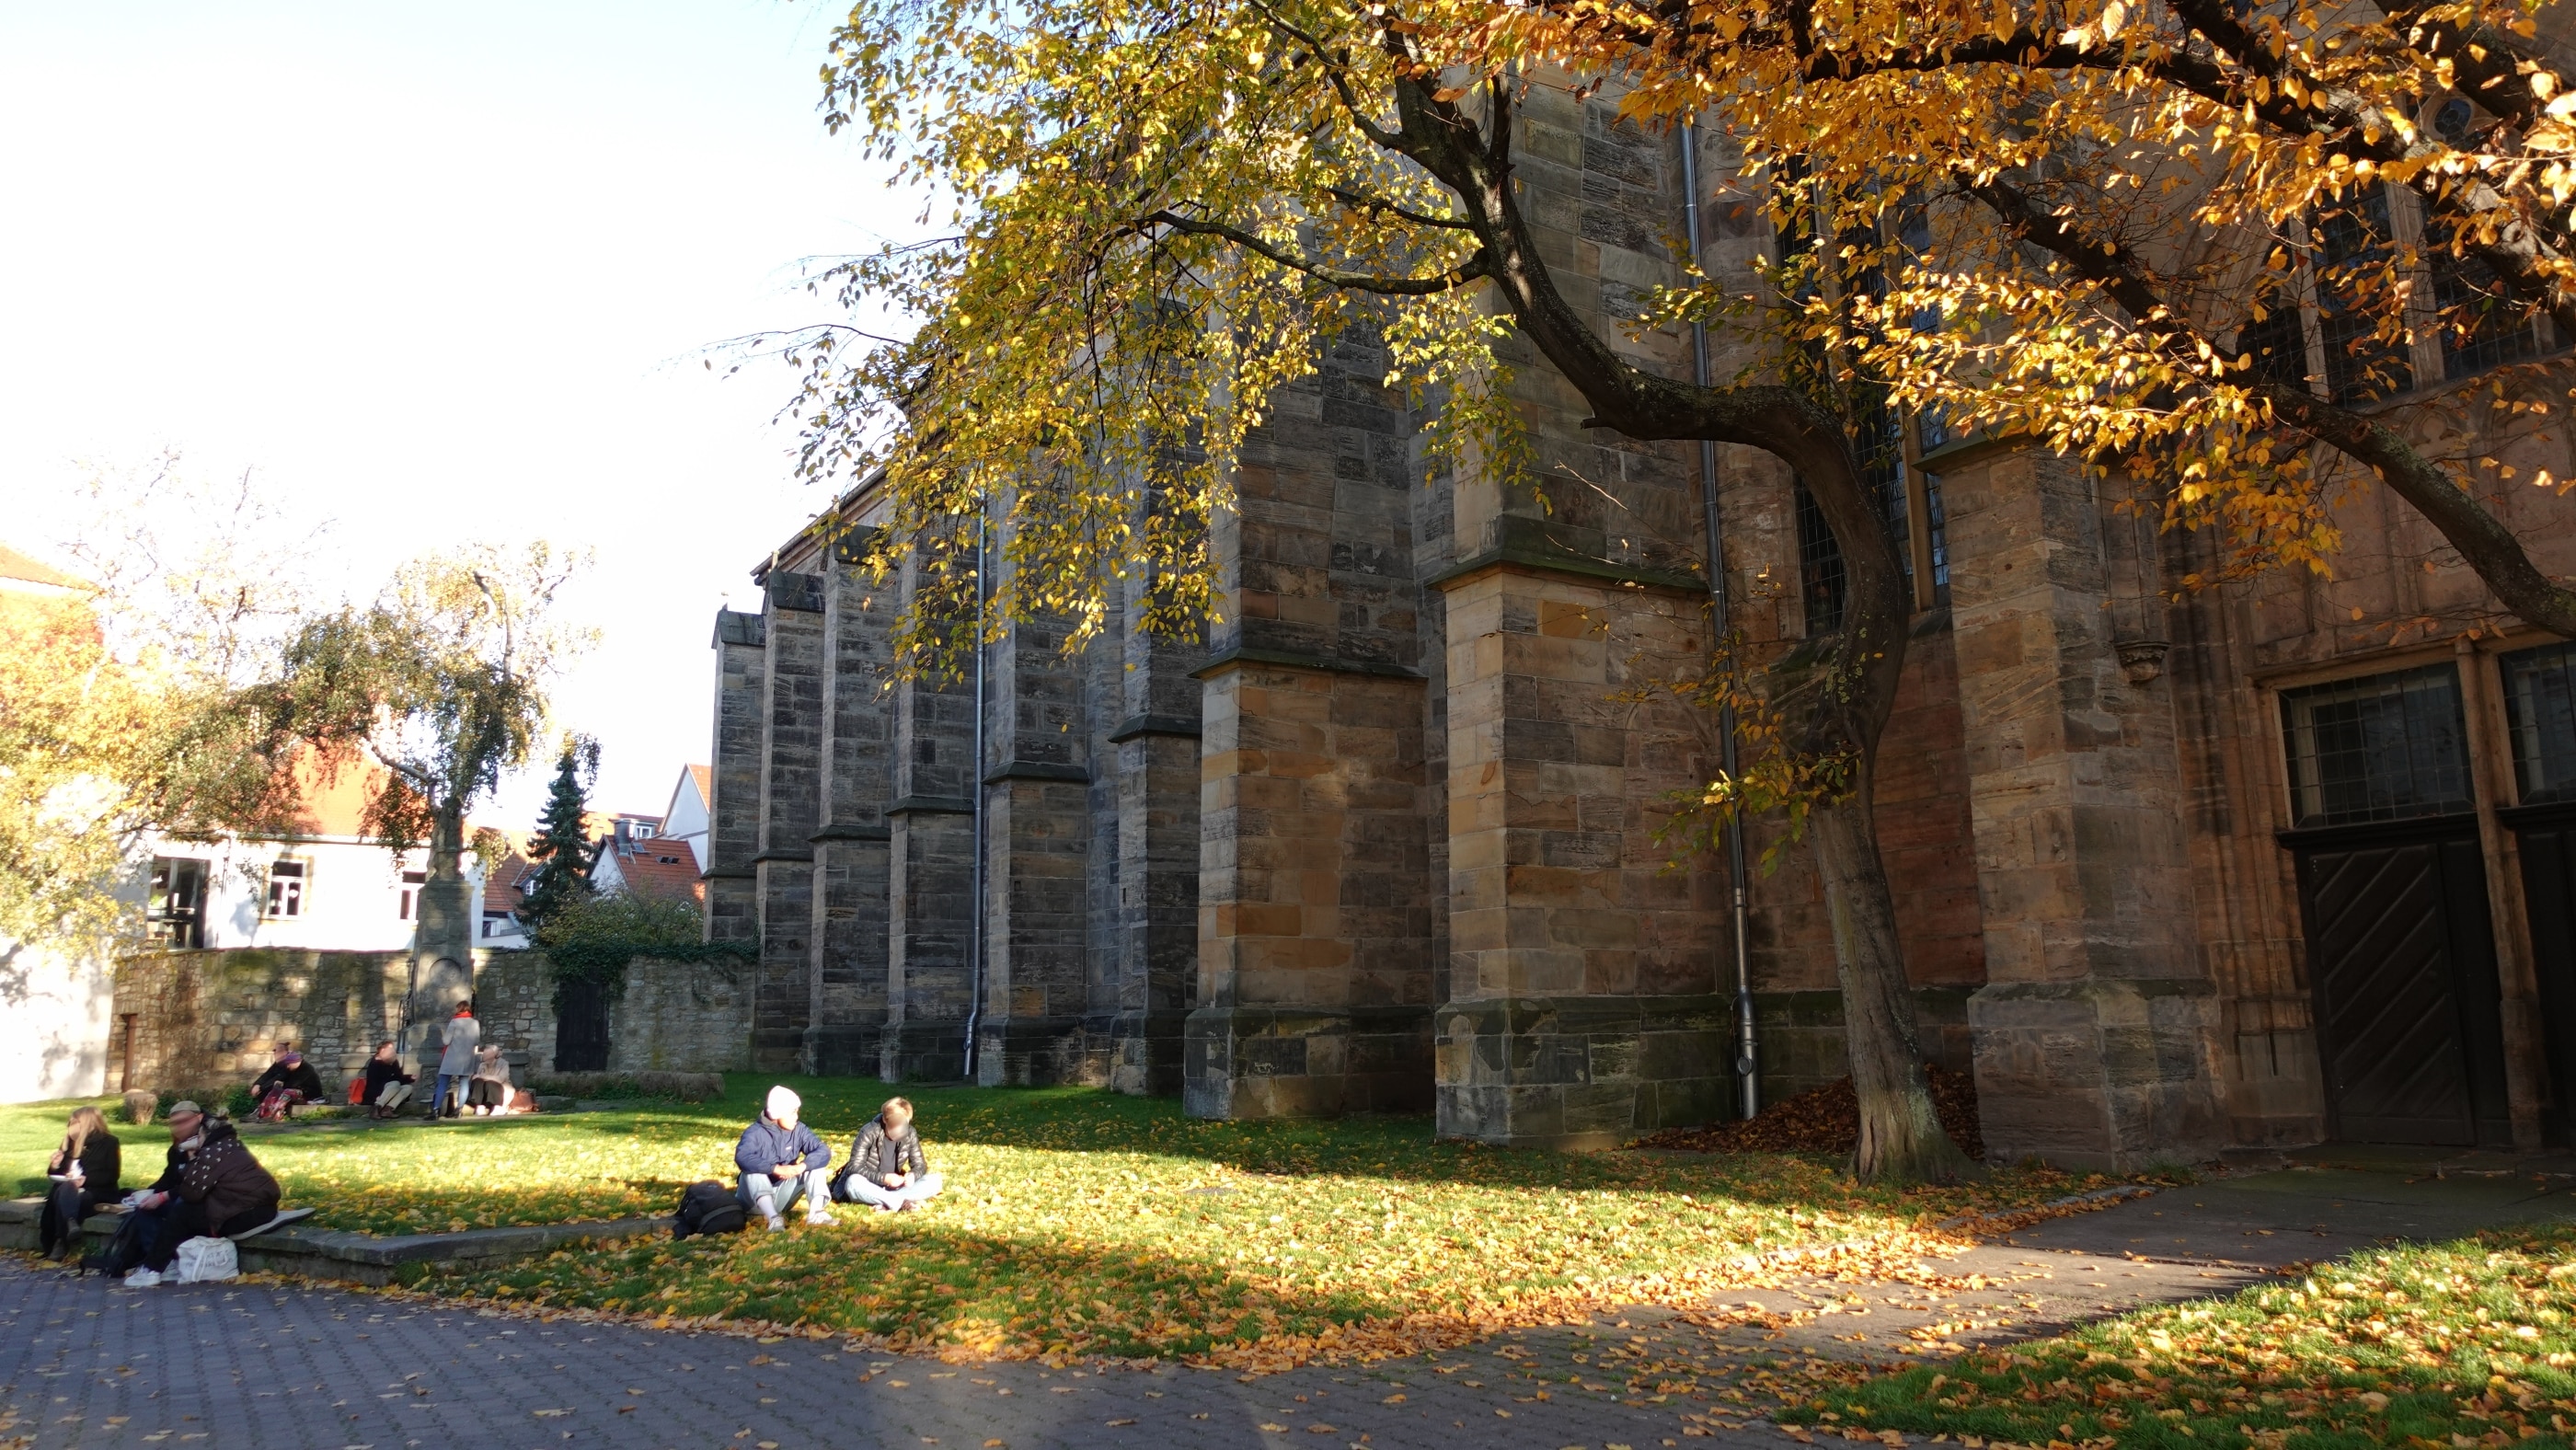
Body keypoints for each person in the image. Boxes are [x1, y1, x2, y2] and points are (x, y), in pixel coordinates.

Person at [123, 1101, 282, 1286]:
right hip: (250, 1206)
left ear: (202, 1129)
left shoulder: (211, 1152)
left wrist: (191, 1160)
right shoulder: (229, 1144)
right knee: (179, 1211)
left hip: (246, 1212)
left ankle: (153, 1268)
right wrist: (154, 1193)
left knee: (183, 1211)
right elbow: (180, 1184)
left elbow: (192, 1193)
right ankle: (165, 1263)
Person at [733, 1086, 832, 1231]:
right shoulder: (754, 1133)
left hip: (782, 1195)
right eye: (792, 1113)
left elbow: (823, 1150)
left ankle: (816, 1214)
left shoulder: (799, 1130)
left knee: (815, 1164)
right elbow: (742, 1156)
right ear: (778, 1114)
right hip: (752, 1202)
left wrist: (802, 1166)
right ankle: (773, 1218)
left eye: (797, 1112)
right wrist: (775, 1169)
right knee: (752, 1169)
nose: (796, 1117)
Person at [835, 1097, 943, 1213]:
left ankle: (886, 1202)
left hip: (895, 1187)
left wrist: (913, 1175)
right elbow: (854, 1167)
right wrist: (884, 1178)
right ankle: (900, 1202)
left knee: (935, 1180)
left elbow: (920, 1165)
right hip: (870, 1184)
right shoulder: (869, 1132)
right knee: (853, 1182)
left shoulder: (910, 1133)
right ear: (885, 1120)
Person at [39, 1106, 120, 1260]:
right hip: (68, 1190)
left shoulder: (109, 1142)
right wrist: (55, 1165)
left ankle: (60, 1241)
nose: (70, 1126)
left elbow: (112, 1175)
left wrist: (85, 1180)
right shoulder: (69, 1143)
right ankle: (70, 1222)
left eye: (74, 1122)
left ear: (88, 1123)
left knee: (65, 1195)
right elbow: (57, 1176)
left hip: (95, 1191)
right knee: (65, 1188)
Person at [249, 1046, 326, 1122]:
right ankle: (260, 1113)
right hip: (297, 1092)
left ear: (294, 1062)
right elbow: (275, 1077)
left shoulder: (307, 1069)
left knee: (288, 1092)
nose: (287, 1066)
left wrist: (282, 1084)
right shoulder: (291, 1069)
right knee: (275, 1089)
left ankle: (274, 1115)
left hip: (310, 1095)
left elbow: (293, 1084)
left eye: (288, 1064)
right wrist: (267, 1086)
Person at [431, 999, 479, 1119]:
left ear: (459, 1009)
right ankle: (459, 1110)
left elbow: (446, 1040)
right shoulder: (475, 1023)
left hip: (452, 1056)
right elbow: (476, 1041)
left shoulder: (454, 1022)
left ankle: (436, 1110)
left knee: (443, 1082)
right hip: (467, 1057)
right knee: (464, 1083)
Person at [360, 1040, 415, 1120]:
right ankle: (376, 1108)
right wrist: (377, 1095)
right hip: (378, 1092)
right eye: (390, 1049)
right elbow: (373, 1082)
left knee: (408, 1088)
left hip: (391, 1089)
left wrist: (409, 1077)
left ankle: (388, 1109)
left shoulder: (393, 1062)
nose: (392, 1051)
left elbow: (398, 1077)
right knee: (395, 1084)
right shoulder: (375, 1062)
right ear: (382, 1050)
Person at [466, 1044, 512, 1116]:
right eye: (484, 1054)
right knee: (477, 1081)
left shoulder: (504, 1064)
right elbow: (478, 1077)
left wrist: (482, 1076)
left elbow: (500, 1079)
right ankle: (479, 1105)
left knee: (490, 1083)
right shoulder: (482, 1065)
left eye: (488, 1054)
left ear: (495, 1055)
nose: (485, 1056)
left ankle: (497, 1106)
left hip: (500, 1086)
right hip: (486, 1087)